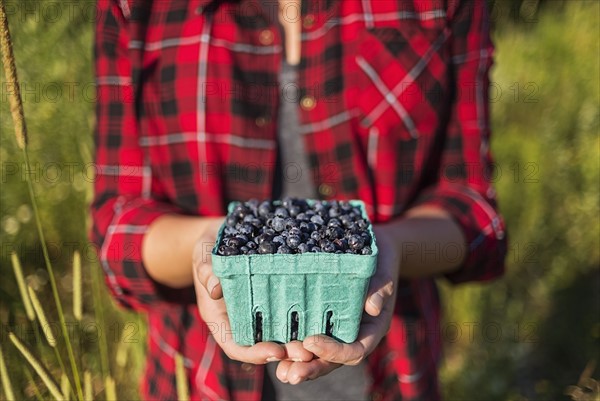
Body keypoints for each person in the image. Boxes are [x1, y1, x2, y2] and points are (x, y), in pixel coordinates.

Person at [91, 0, 507, 399]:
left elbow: (472, 208)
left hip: (393, 372)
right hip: (201, 378)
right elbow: (117, 226)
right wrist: (204, 245)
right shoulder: (138, 7)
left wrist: (391, 246)